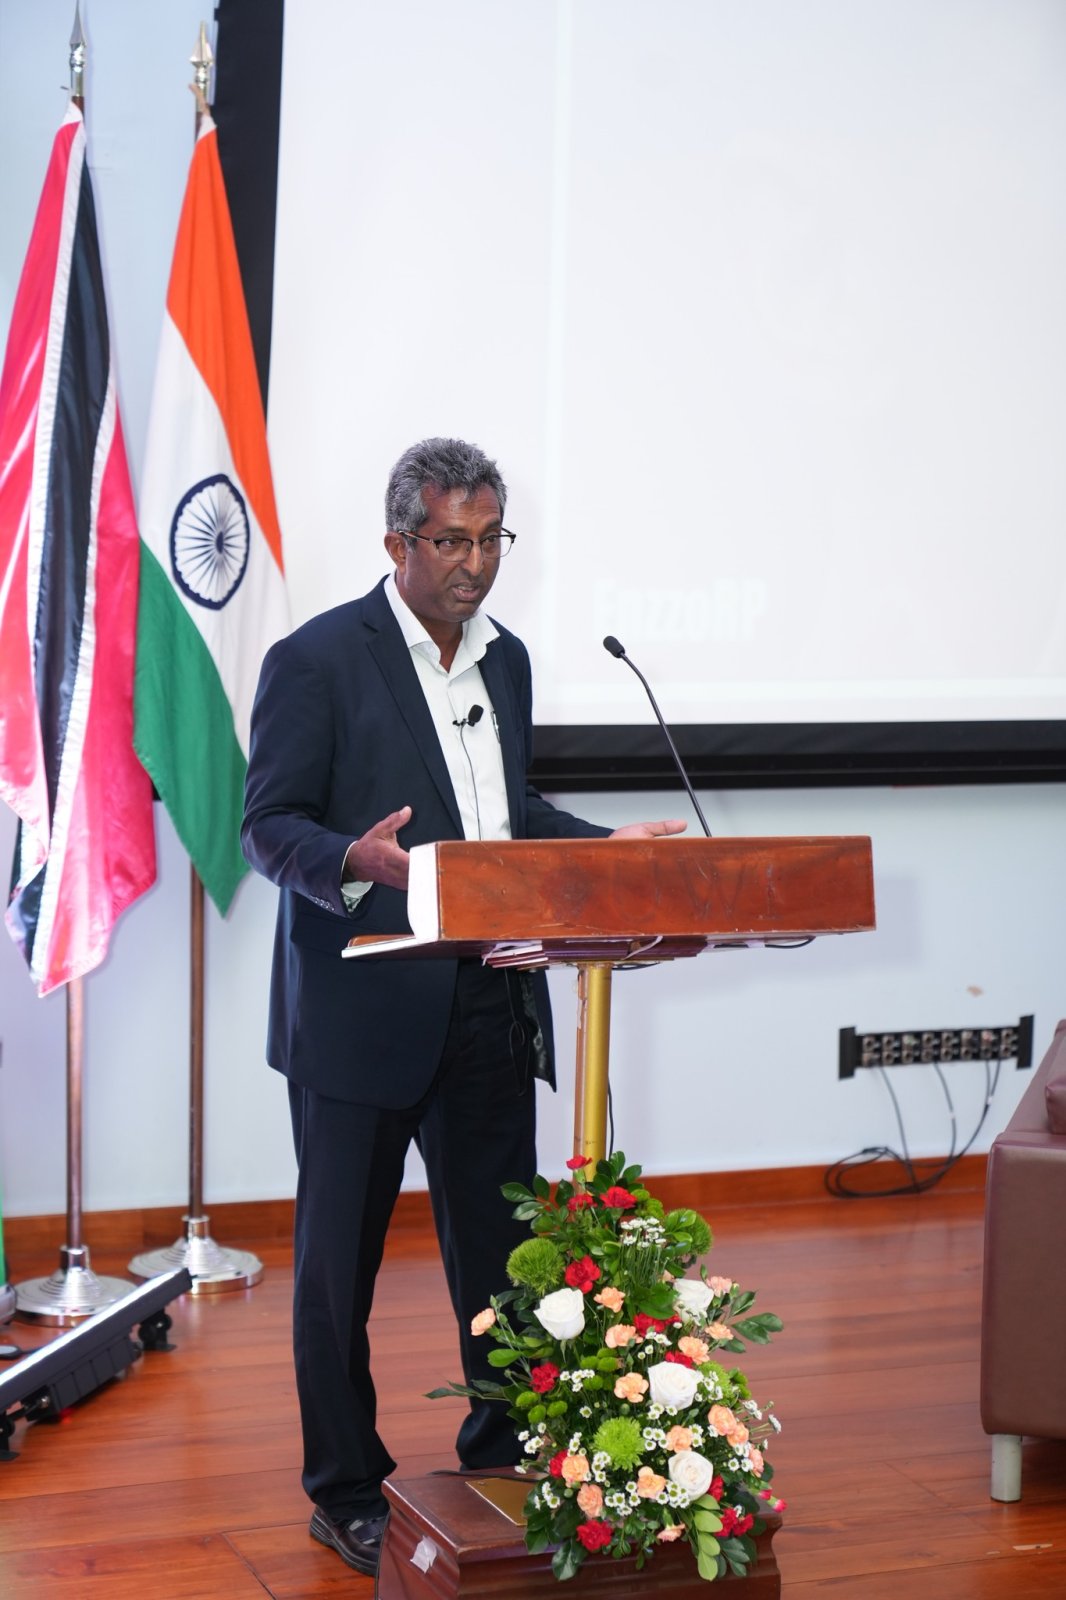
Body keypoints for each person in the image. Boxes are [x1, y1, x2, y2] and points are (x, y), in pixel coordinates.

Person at [241, 437, 685, 1576]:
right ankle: (344, 1487)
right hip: (363, 1013)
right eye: (450, 541)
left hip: (492, 1000)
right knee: (338, 1271)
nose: (473, 564)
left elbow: (503, 809)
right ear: (398, 543)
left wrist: (605, 849)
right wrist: (356, 859)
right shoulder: (317, 659)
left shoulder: (509, 662)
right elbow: (269, 824)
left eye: (491, 539)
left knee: (503, 1263)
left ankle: (497, 1457)